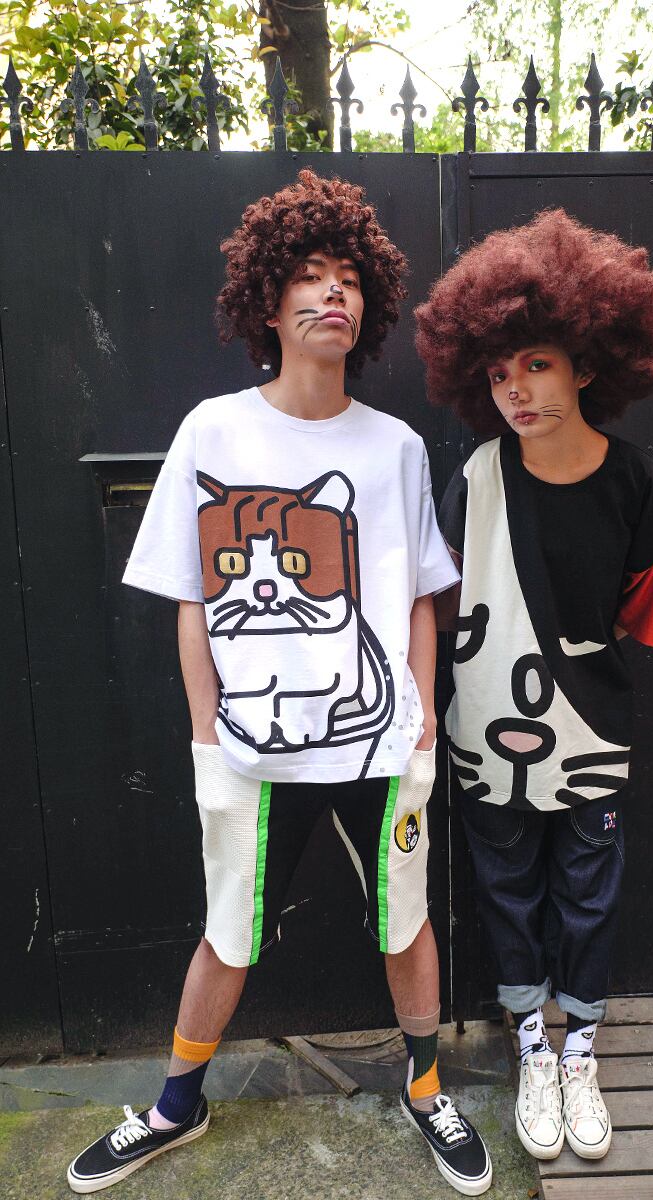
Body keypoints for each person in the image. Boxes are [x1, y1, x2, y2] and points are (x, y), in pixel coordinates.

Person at [67, 169, 491, 1196]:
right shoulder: (212, 432)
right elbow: (190, 598)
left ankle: (426, 1088)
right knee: (227, 931)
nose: (333, 289)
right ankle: (175, 1105)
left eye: (350, 275)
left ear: (368, 306)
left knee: (405, 922)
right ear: (268, 299)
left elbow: (418, 598)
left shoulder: (392, 449)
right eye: (309, 272)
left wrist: (422, 724)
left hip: (379, 743)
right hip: (249, 752)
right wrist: (206, 734)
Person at [415, 208, 653, 1164]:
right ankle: (532, 1042)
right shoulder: (477, 476)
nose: (516, 389)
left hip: (593, 735)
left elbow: (647, 606)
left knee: (588, 892)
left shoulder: (639, 486)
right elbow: (439, 597)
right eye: (498, 373)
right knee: (506, 889)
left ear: (588, 363)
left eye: (535, 364)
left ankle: (580, 1051)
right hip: (484, 734)